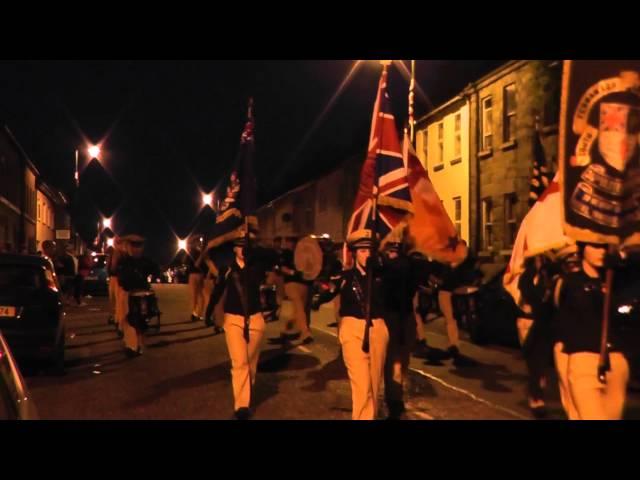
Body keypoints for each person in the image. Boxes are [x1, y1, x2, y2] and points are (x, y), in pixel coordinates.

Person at [554, 242, 630, 420]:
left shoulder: (620, 280)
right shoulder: (570, 283)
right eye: (594, 246)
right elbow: (561, 327)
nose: (601, 252)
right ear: (582, 249)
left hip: (616, 361)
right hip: (584, 360)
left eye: (605, 247)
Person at [208, 235, 272, 420]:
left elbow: (272, 256)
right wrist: (209, 311)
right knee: (239, 363)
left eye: (246, 247)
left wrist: (254, 249)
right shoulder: (227, 269)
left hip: (255, 319)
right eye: (239, 246)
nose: (242, 250)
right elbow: (218, 290)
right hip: (233, 320)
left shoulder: (257, 268)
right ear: (234, 249)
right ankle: (242, 406)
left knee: (251, 364)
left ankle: (246, 394)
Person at [337, 230, 389, 420]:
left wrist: (382, 266)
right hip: (352, 328)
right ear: (354, 253)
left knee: (374, 385)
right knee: (362, 384)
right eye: (362, 251)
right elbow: (328, 289)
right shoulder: (345, 277)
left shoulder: (383, 275)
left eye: (370, 251)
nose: (366, 255)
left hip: (377, 327)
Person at [518, 254, 558, 418]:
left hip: (544, 323)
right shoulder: (527, 276)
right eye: (539, 258)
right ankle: (536, 396)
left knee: (541, 361)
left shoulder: (548, 274)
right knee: (534, 360)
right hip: (529, 322)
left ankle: (537, 391)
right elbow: (528, 293)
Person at [117, 234, 159, 357]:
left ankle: (133, 346)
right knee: (134, 320)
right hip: (133, 292)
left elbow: (156, 270)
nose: (136, 249)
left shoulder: (129, 261)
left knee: (133, 320)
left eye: (138, 246)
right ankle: (136, 345)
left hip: (134, 293)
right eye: (134, 246)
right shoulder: (128, 260)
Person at [277, 236, 313, 344]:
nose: (290, 243)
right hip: (291, 283)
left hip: (303, 283)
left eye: (292, 241)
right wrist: (292, 272)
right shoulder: (286, 254)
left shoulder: (302, 254)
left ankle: (288, 329)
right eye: (288, 241)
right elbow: (282, 267)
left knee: (300, 310)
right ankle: (305, 333)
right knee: (299, 307)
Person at [186, 237, 206, 322]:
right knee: (198, 295)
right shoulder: (193, 252)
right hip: (196, 274)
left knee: (197, 295)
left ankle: (196, 313)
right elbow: (195, 264)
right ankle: (196, 313)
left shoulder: (196, 252)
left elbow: (196, 265)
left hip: (196, 274)